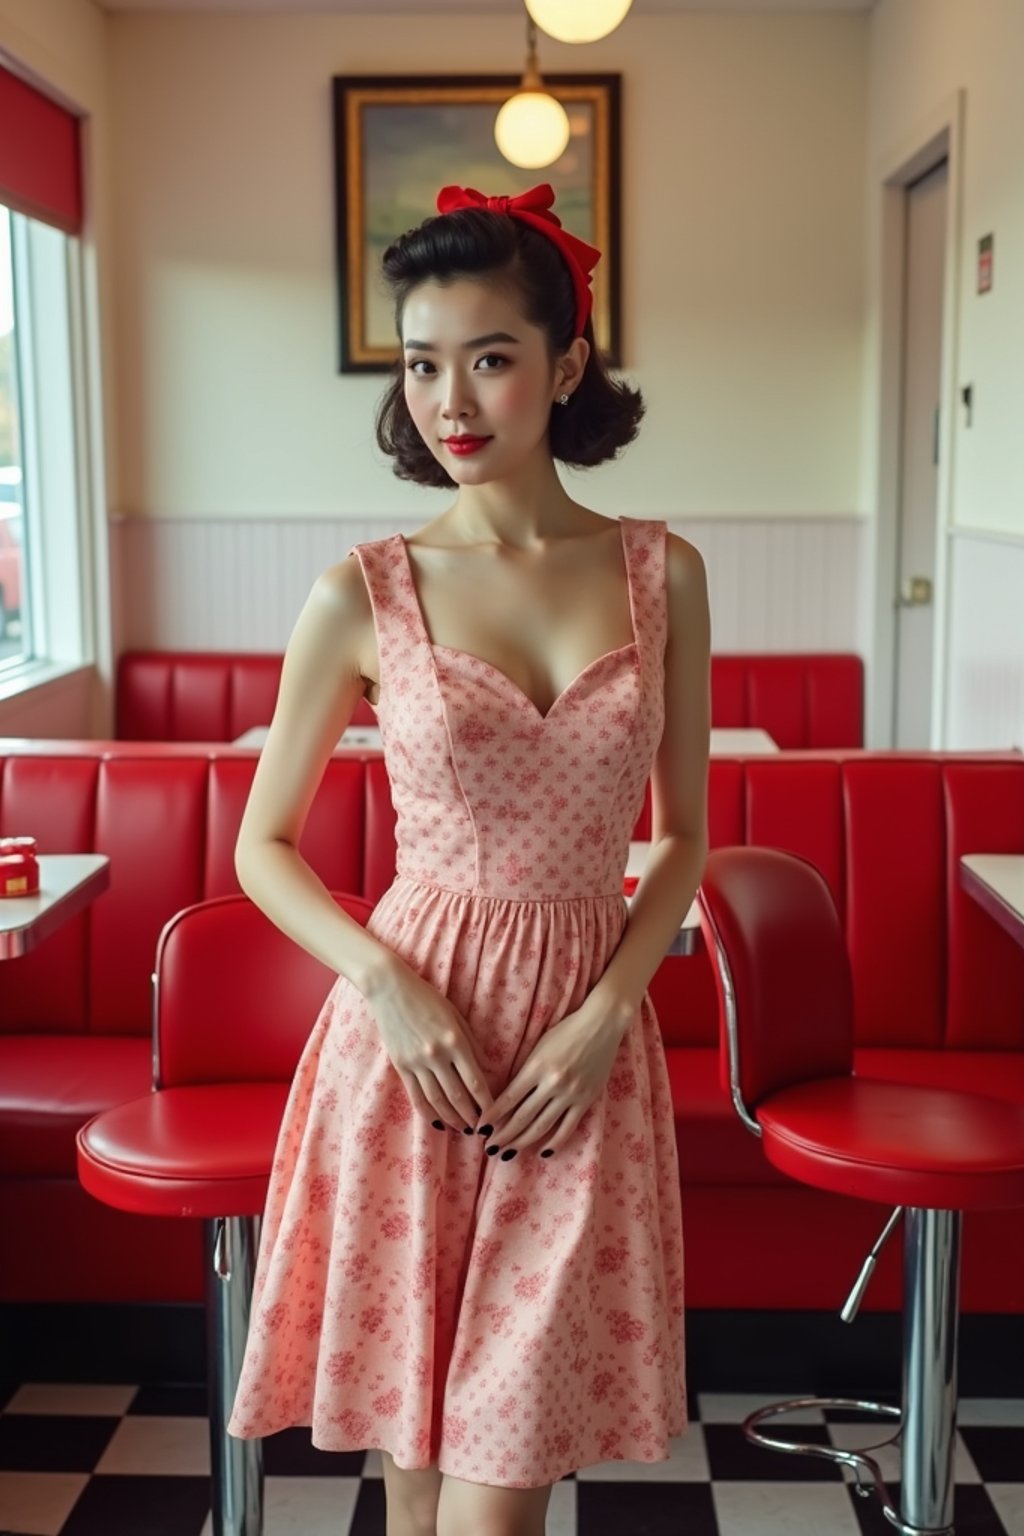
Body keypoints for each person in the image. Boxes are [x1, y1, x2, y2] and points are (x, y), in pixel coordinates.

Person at [225, 182, 711, 1536]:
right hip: (410, 1053)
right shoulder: (362, 591)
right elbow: (263, 848)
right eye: (422, 362)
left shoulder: (663, 575)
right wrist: (383, 982)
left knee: (496, 1500)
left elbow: (681, 837)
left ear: (565, 366)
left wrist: (612, 1011)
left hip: (580, 1064)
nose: (453, 399)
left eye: (490, 359)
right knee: (425, 1486)